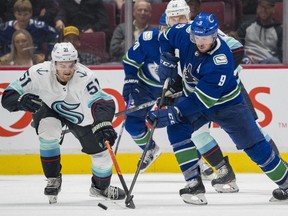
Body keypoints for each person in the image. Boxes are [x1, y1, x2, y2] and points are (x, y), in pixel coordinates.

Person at [146, 12, 288, 204]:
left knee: (255, 147)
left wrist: (174, 112)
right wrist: (167, 57)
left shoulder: (221, 59)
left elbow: (201, 101)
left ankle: (286, 182)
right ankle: (193, 184)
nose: (200, 43)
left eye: (205, 39)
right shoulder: (183, 32)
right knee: (177, 128)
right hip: (198, 99)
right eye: (197, 38)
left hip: (227, 105)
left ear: (215, 36)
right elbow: (163, 37)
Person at [1, 42, 125, 204]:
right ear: (53, 64)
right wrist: (20, 100)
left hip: (81, 116)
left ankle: (100, 188)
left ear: (76, 63)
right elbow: (8, 96)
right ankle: (53, 178)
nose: (67, 70)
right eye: (62, 65)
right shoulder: (38, 72)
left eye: (71, 65)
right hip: (49, 109)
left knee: (102, 155)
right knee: (48, 131)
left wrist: (103, 123)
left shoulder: (86, 76)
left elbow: (102, 102)